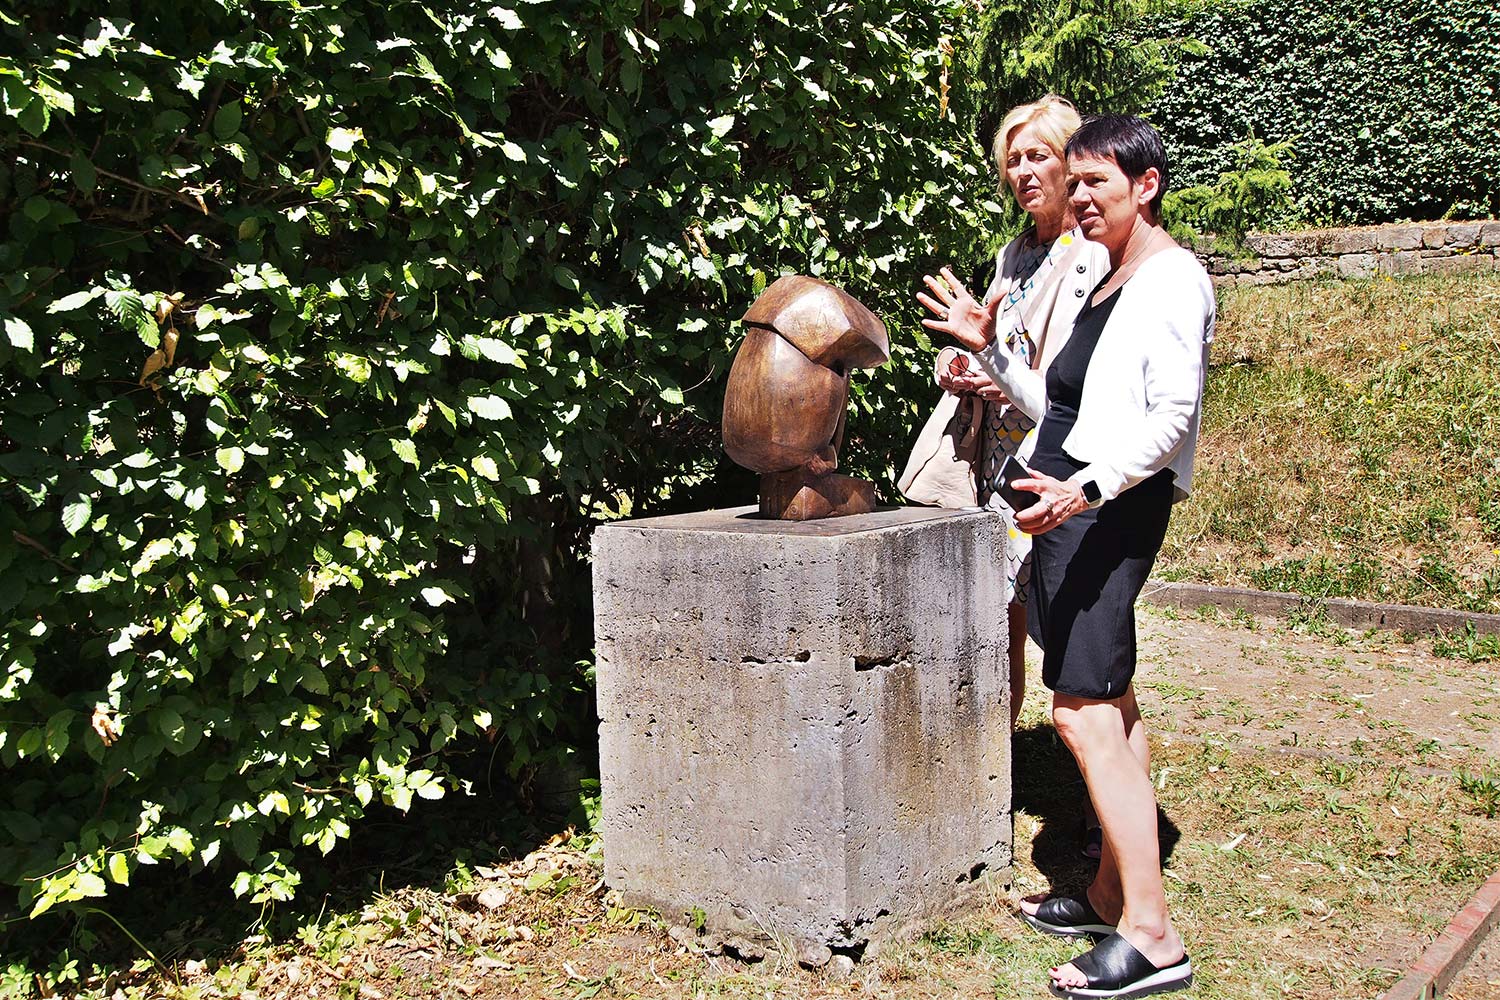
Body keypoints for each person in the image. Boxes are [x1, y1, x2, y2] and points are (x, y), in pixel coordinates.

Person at [918, 115, 1213, 999]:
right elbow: (1059, 399)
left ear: (1147, 185)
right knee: (1108, 698)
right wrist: (990, 347)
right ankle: (1111, 890)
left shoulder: (1170, 280)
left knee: (1080, 712)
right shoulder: (1108, 276)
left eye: (1098, 184)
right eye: (1074, 184)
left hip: (1105, 509)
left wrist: (1084, 492)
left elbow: (1170, 419)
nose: (1080, 199)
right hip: (1067, 502)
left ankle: (1153, 936)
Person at [929, 95, 1108, 778]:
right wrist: (958, 366)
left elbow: (1066, 379)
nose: (1024, 172)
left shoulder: (1089, 255)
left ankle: (1098, 790)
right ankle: (994, 766)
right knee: (996, 616)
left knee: (1073, 630)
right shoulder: (1015, 252)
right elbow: (995, 342)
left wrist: (995, 370)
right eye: (1013, 160)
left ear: (1071, 164)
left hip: (1057, 464)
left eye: (1038, 156)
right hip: (998, 464)